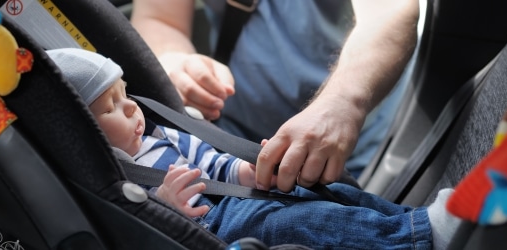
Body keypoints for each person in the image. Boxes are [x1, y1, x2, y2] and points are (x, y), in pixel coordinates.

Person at [46, 48, 459, 249]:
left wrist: (251, 171)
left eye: (125, 94)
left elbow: (211, 163)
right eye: (111, 107)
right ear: (83, 130)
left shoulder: (159, 136)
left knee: (323, 194)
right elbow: (141, 224)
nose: (131, 107)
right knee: (301, 223)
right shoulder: (114, 175)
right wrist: (169, 204)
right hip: (212, 223)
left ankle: (415, 219)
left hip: (236, 195)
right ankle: (416, 237)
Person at [130, 0, 419, 191]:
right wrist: (173, 60)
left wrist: (342, 103)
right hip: (228, 138)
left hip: (353, 152)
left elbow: (391, 11)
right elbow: (160, 18)